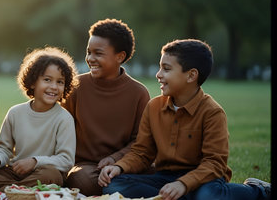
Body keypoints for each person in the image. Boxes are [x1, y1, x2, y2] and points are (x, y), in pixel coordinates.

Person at [98, 39, 271, 200]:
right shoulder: (153, 107)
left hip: (205, 178)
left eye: (166, 69)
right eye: (160, 68)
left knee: (208, 196)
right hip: (164, 177)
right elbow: (142, 153)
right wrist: (120, 167)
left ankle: (258, 190)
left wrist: (183, 184)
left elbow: (214, 163)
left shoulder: (212, 112)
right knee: (115, 185)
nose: (158, 74)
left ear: (191, 76)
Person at [0, 46, 78, 190]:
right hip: (14, 173)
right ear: (33, 82)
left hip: (42, 173)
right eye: (47, 80)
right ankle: (17, 190)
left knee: (52, 176)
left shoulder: (64, 118)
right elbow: (4, 148)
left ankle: (8, 191)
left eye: (60, 82)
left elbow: (66, 161)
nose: (54, 86)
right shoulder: (15, 112)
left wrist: (35, 162)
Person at [62, 19, 150, 196]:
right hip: (87, 167)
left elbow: (140, 141)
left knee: (158, 173)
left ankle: (119, 187)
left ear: (120, 56)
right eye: (88, 52)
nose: (90, 59)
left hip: (124, 165)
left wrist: (115, 160)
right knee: (82, 180)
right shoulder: (76, 86)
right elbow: (60, 128)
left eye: (98, 53)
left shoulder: (139, 93)